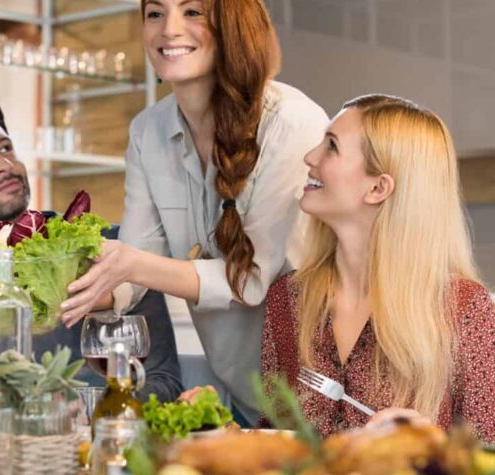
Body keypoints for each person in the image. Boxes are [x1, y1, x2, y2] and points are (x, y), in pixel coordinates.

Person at [58, 0, 328, 425]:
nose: (169, 30)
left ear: (233, 26)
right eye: (155, 13)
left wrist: (131, 263)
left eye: (192, 12)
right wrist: (84, 285)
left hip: (317, 394)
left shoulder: (291, 124)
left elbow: (252, 280)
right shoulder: (148, 130)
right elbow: (135, 262)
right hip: (246, 397)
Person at [260, 94, 495, 450]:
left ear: (378, 188)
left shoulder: (462, 309)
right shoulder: (287, 298)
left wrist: (433, 449)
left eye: (331, 147)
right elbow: (273, 437)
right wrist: (213, 424)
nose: (310, 156)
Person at [0, 93, 183, 403]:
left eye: (5, 148)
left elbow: (164, 381)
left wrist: (79, 411)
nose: (4, 165)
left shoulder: (111, 253)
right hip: (5, 448)